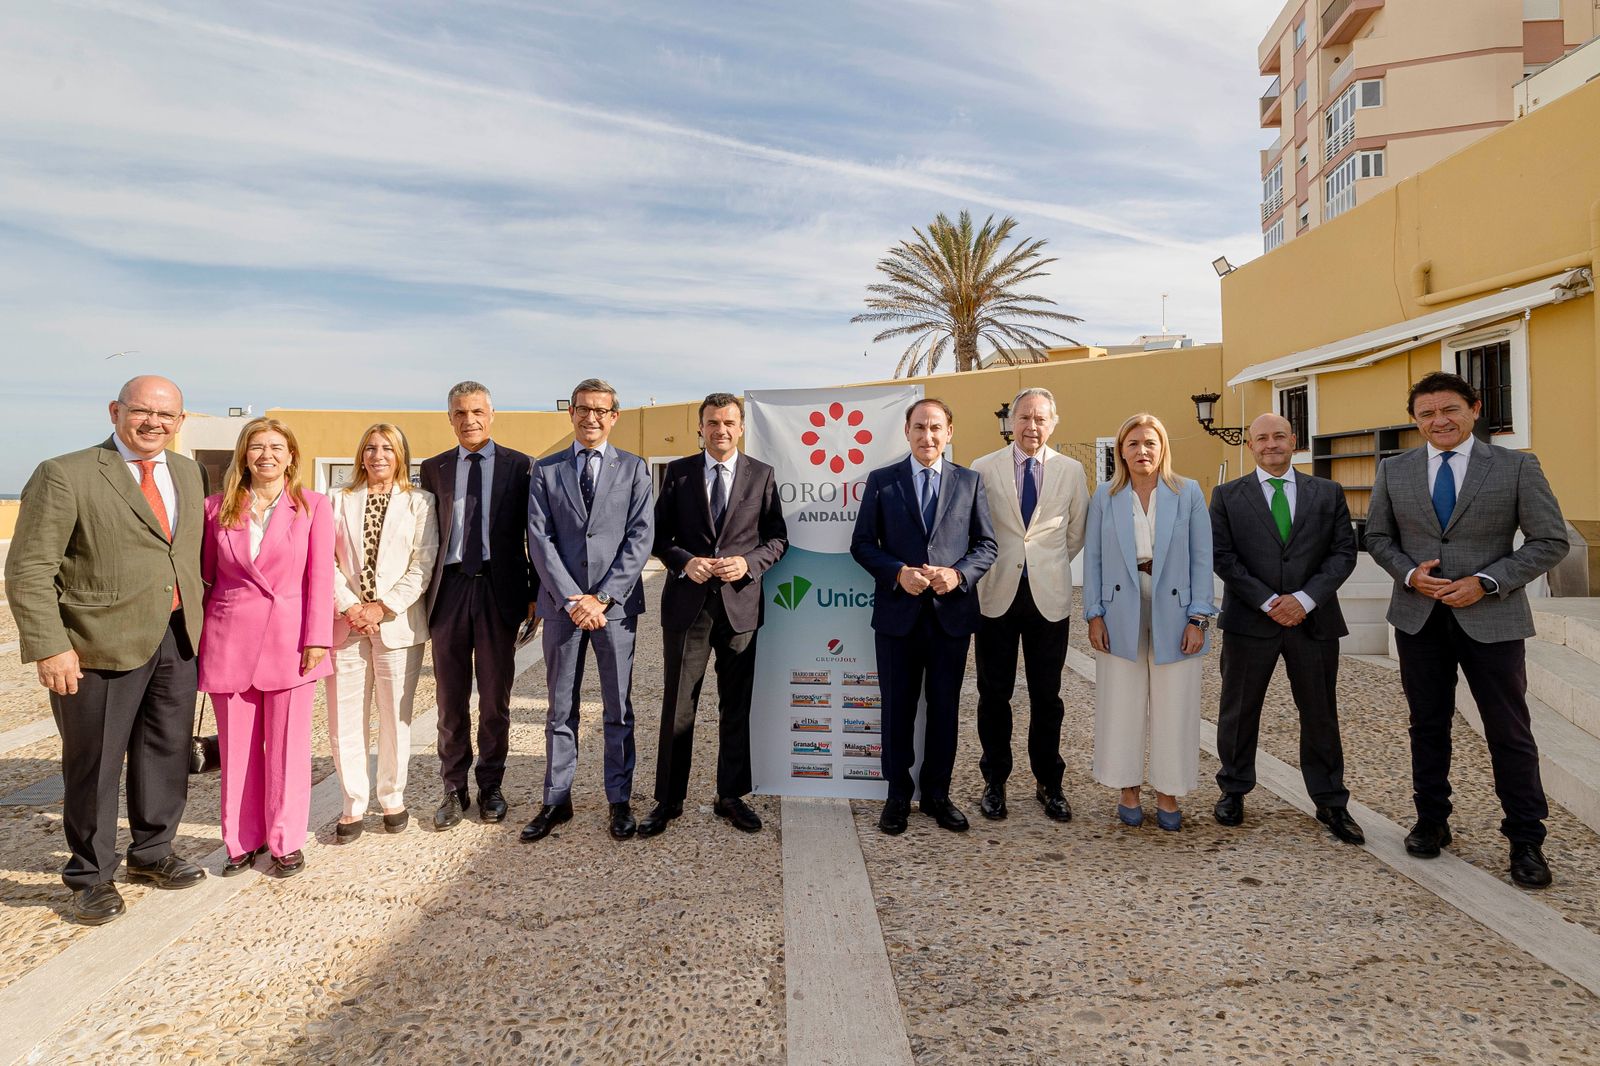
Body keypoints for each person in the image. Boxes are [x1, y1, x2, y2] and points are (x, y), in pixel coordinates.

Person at [7, 376, 207, 924]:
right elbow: (28, 570)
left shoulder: (189, 472)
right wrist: (51, 647)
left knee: (165, 751)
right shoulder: (64, 473)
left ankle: (153, 852)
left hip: (176, 637)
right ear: (116, 411)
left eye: (167, 416)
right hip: (95, 645)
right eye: (142, 412)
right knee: (94, 762)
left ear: (181, 421)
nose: (154, 423)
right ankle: (91, 874)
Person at [1364, 371, 1568, 889]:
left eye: (1449, 409)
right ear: (1416, 420)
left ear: (1475, 409)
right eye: (1427, 413)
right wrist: (1410, 574)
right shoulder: (1395, 469)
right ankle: (1431, 821)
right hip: (1420, 617)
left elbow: (1549, 541)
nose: (1439, 421)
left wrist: (1487, 582)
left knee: (1509, 732)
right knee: (1427, 725)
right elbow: (1379, 535)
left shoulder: (1517, 466)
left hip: (1492, 620)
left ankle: (1525, 839)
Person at [639, 393, 788, 837]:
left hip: (740, 606)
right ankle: (668, 799)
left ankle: (731, 795)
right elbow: (657, 534)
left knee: (735, 706)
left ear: (740, 427)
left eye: (728, 422)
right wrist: (684, 560)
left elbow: (777, 537)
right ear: (700, 429)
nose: (720, 430)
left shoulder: (761, 475)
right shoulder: (680, 474)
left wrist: (749, 563)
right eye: (712, 423)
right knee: (679, 706)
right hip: (688, 607)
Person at [1210, 413, 1362, 843]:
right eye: (1262, 438)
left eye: (1279, 436)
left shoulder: (1328, 492)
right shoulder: (1227, 496)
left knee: (1320, 714)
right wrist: (1267, 600)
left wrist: (1304, 600)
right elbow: (1223, 557)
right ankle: (1234, 790)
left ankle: (1331, 802)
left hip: (1313, 621)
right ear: (1251, 446)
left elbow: (1342, 553)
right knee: (1238, 712)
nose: (1271, 444)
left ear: (1294, 441)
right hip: (1249, 621)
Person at [851, 398, 996, 835]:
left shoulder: (970, 482)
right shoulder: (882, 481)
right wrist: (897, 573)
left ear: (949, 432)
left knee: (944, 710)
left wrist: (957, 575)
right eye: (919, 427)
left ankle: (937, 794)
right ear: (907, 431)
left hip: (949, 619)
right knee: (896, 709)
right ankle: (897, 795)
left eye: (935, 428)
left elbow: (985, 546)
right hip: (897, 619)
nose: (927, 436)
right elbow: (862, 544)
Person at [198, 418, 333, 877]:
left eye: (277, 447)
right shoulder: (216, 508)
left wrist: (318, 637)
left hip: (292, 642)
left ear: (292, 455)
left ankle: (284, 840)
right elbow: (206, 576)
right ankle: (240, 840)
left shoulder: (313, 506)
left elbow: (320, 577)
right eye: (257, 447)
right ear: (244, 455)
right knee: (236, 750)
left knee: (288, 750)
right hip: (229, 641)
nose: (267, 455)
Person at [523, 378, 655, 842]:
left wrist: (602, 598)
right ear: (572, 413)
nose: (591, 417)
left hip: (615, 609)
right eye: (583, 409)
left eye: (601, 410)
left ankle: (619, 801)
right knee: (560, 709)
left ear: (614, 416)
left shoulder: (635, 469)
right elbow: (540, 540)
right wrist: (574, 598)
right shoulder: (546, 470)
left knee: (618, 707)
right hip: (563, 609)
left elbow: (641, 537)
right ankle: (556, 800)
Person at [1082, 413, 1215, 831]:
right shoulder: (1105, 495)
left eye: (1150, 443)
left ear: (1163, 448)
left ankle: (1168, 791)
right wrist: (1093, 614)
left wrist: (1199, 618)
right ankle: (1127, 788)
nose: (1142, 451)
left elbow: (1201, 559)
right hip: (1119, 606)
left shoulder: (1187, 492)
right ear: (1121, 450)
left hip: (1175, 607)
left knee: (1175, 704)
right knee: (1121, 702)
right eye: (1133, 443)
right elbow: (1094, 560)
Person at [419, 382, 535, 830]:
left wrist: (534, 595)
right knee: (449, 698)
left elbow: (535, 535)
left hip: (499, 589)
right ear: (450, 418)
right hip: (449, 590)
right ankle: (453, 787)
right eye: (460, 413)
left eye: (477, 411)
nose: (469, 420)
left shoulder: (520, 466)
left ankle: (491, 784)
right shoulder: (434, 469)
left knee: (494, 698)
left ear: (492, 414)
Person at [970, 386, 1089, 822]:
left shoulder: (1072, 471)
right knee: (993, 694)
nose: (1032, 426)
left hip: (1049, 598)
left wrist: (1044, 565)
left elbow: (1075, 533)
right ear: (1011, 422)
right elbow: (974, 529)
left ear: (1053, 423)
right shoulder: (983, 468)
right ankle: (994, 781)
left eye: (1040, 419)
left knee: (1048, 696)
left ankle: (1049, 782)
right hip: (995, 596)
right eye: (1024, 417)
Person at [327, 424, 439, 840]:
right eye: (370, 448)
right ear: (360, 455)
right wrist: (352, 607)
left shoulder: (420, 503)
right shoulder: (337, 500)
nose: (378, 456)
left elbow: (422, 565)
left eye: (388, 449)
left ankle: (392, 797)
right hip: (347, 624)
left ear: (401, 456)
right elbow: (325, 563)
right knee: (345, 719)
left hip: (397, 624)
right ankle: (352, 803)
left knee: (396, 718)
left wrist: (382, 607)